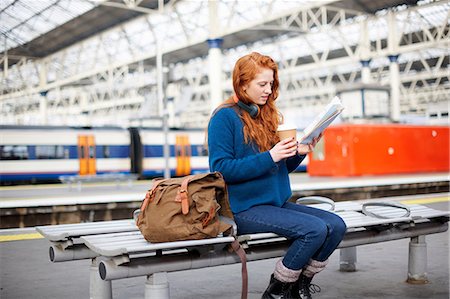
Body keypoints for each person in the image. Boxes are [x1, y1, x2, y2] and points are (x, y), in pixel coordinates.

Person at [207, 52, 347, 299]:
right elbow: (221, 170)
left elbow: (278, 169)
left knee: (336, 225)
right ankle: (277, 290)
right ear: (242, 84)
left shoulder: (267, 115)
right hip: (243, 207)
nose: (268, 90)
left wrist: (298, 152)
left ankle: (298, 285)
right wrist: (271, 156)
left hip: (274, 203)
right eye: (262, 84)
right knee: (314, 229)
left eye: (271, 84)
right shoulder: (224, 118)